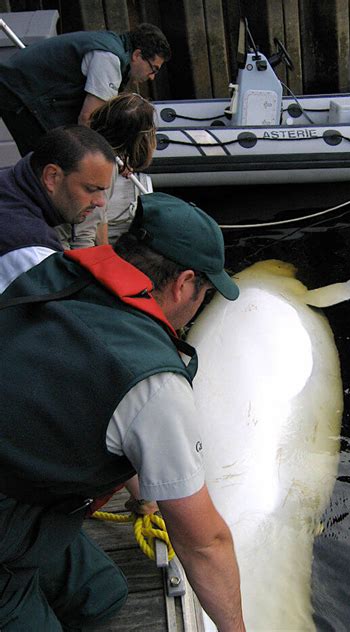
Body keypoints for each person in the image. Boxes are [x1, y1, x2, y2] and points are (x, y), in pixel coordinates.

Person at [0, 192, 245, 631]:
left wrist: (145, 489)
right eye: (206, 292)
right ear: (184, 282)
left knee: (100, 596)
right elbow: (206, 543)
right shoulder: (154, 383)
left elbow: (91, 404)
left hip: (23, 483)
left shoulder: (50, 272)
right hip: (11, 514)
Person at [0, 22, 170, 155]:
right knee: (50, 160)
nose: (152, 76)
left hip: (20, 87)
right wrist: (104, 157)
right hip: (21, 93)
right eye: (153, 68)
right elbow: (88, 118)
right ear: (137, 55)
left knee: (53, 157)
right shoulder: (109, 58)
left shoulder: (110, 44)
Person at [0, 125, 116, 293]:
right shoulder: (31, 250)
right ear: (51, 176)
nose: (100, 202)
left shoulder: (9, 182)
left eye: (103, 190)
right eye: (91, 189)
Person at [61, 92, 157, 249]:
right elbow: (82, 236)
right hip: (57, 246)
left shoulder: (84, 145)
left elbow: (99, 216)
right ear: (138, 138)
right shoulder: (103, 167)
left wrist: (108, 256)